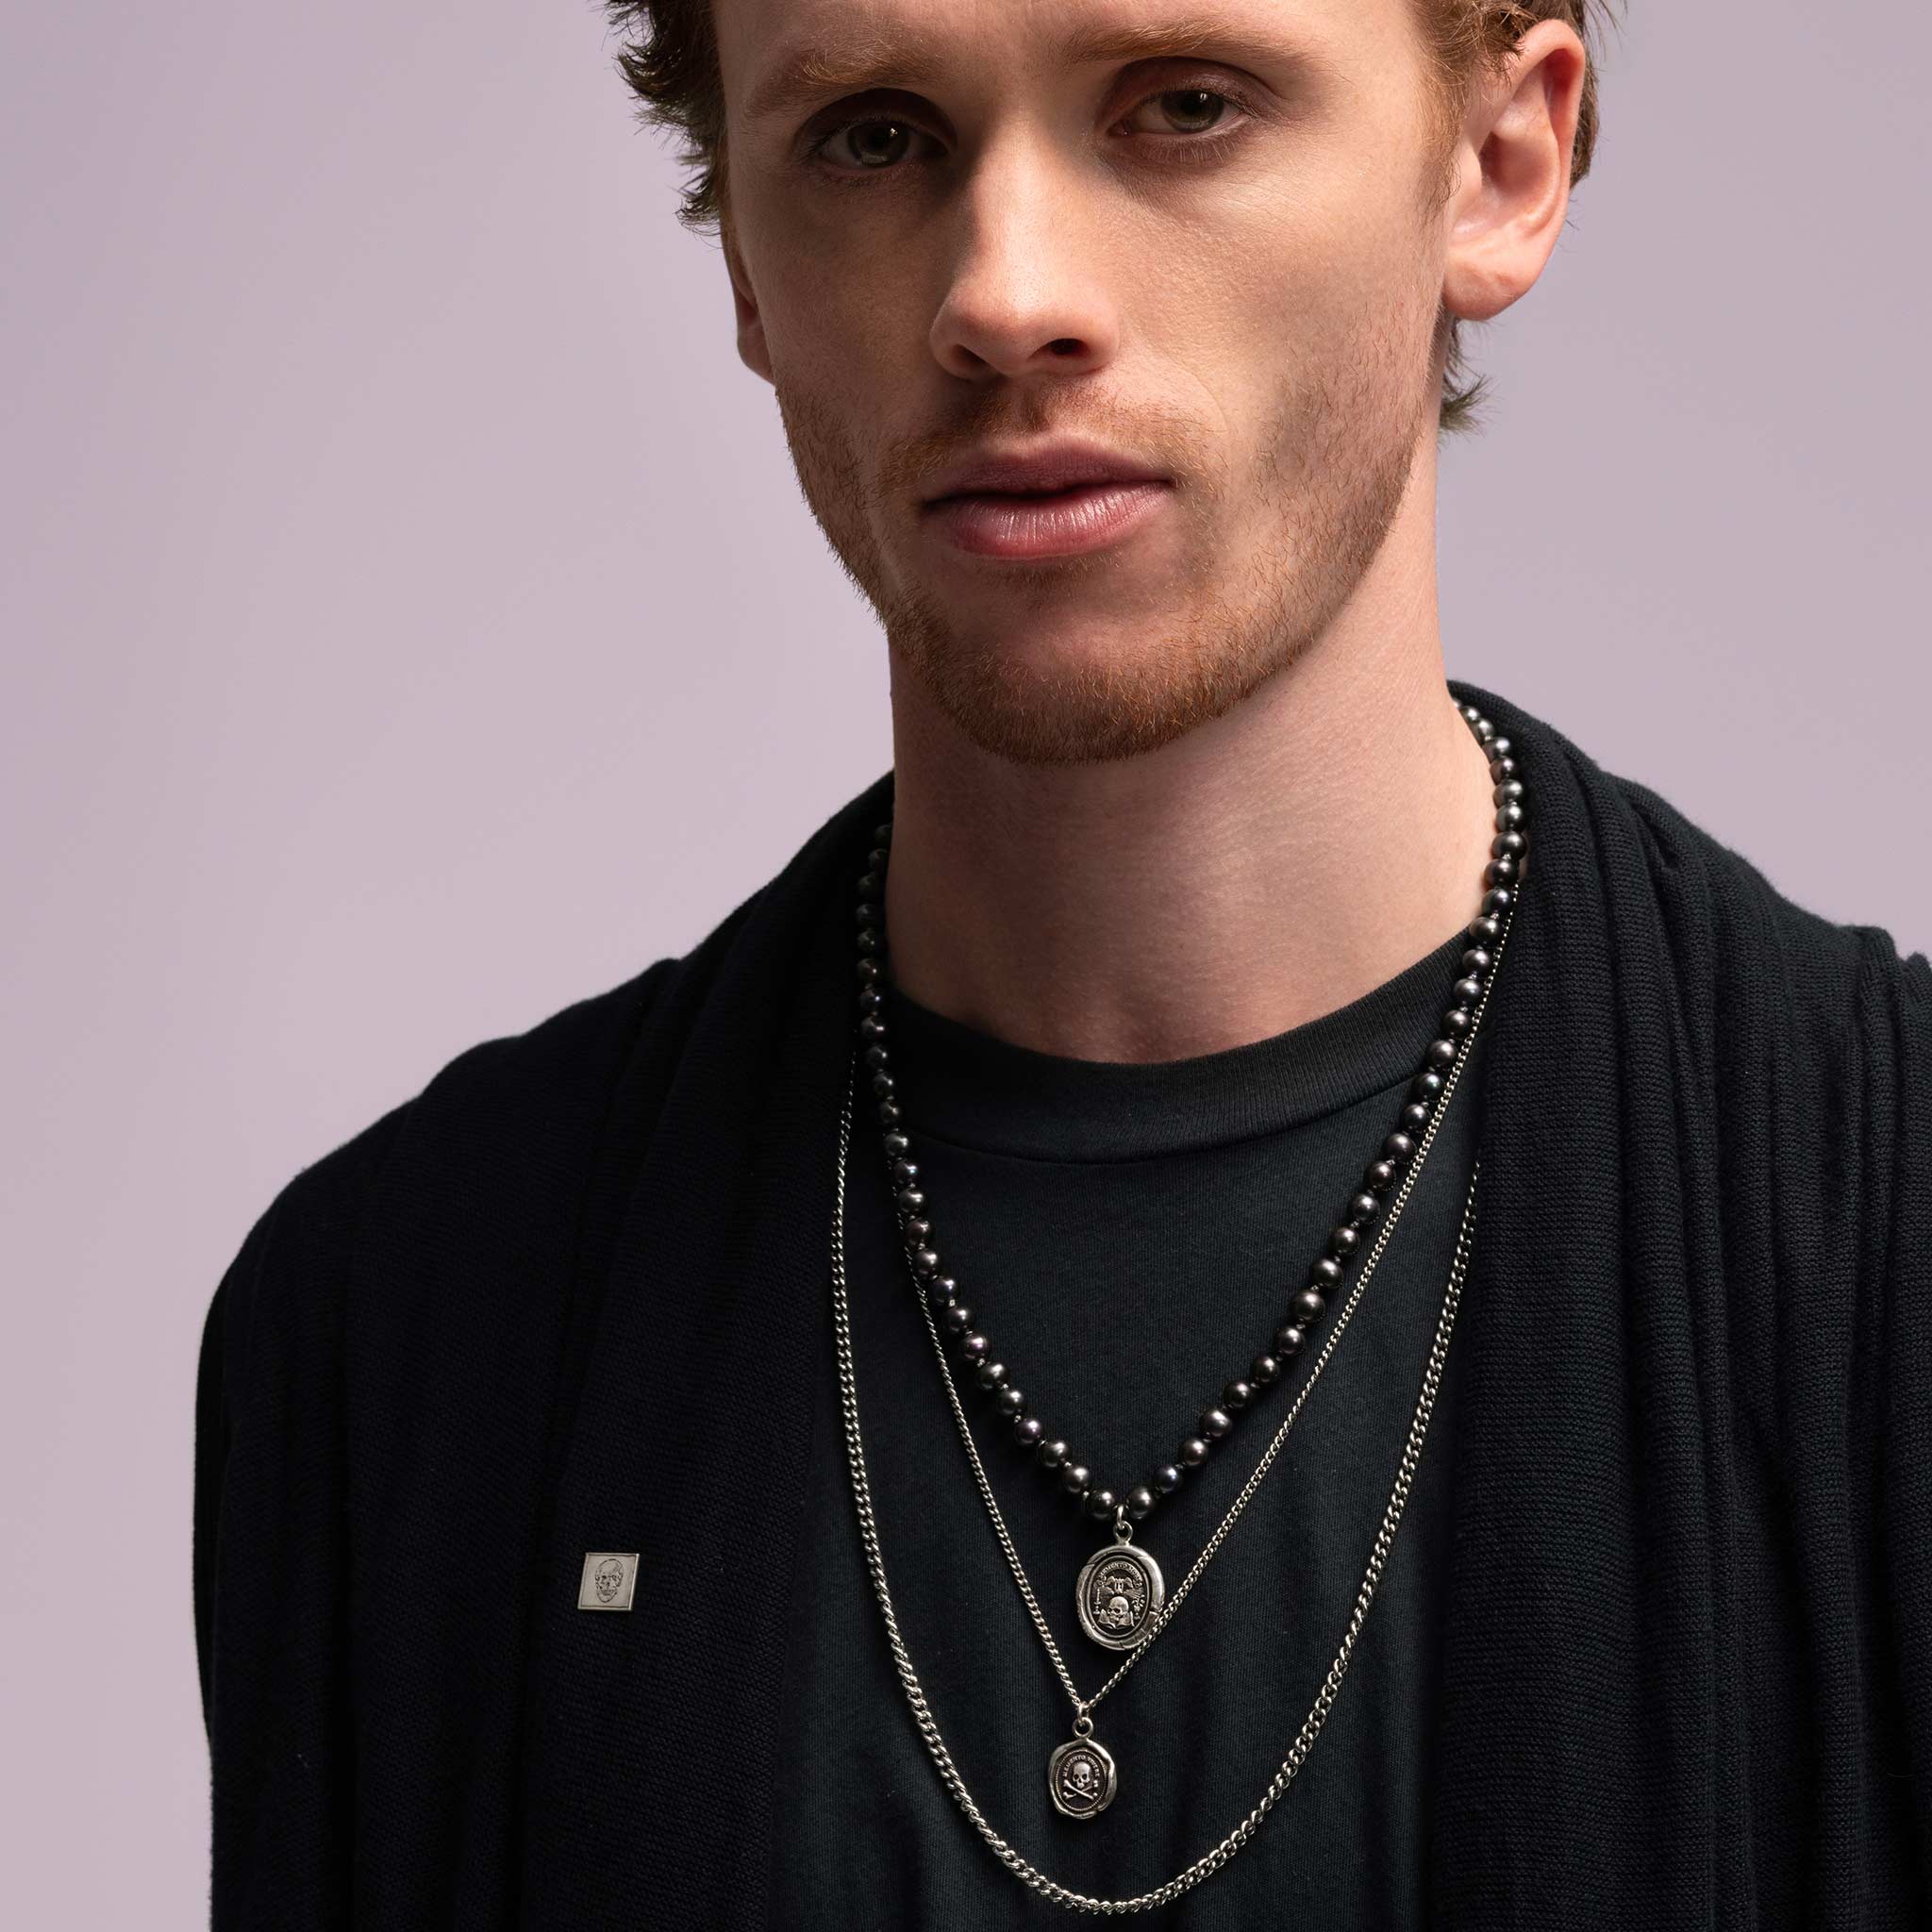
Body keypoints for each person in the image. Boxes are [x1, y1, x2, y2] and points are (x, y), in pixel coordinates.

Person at [192, 0, 1932, 1924]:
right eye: (873, 135)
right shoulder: (400, 1336)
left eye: (1184, 106)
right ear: (746, 256)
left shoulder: (1882, 1246)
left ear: (1495, 166)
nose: (1005, 296)